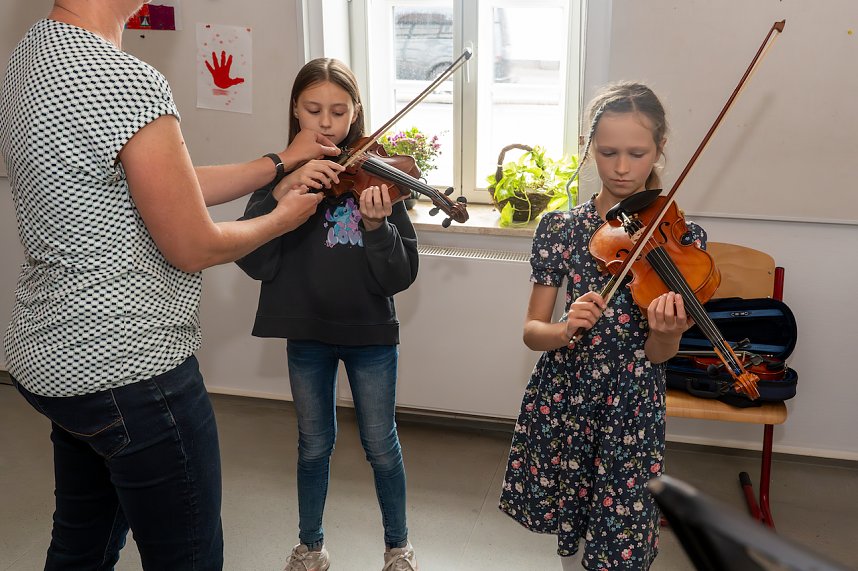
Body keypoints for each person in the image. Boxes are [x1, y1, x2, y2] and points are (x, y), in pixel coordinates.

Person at [0, 2, 339, 569]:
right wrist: (282, 219)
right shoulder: (125, 77)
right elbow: (193, 245)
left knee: (79, 547)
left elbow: (163, 184)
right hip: (133, 369)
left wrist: (278, 160)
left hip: (57, 358)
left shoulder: (30, 55)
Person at [498, 81, 708, 570]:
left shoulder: (681, 238)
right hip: (569, 395)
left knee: (623, 537)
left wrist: (665, 333)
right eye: (608, 151)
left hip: (632, 404)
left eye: (637, 153)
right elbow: (533, 330)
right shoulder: (562, 228)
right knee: (571, 524)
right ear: (589, 147)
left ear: (659, 149)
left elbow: (660, 356)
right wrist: (567, 327)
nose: (620, 167)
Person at [235, 58, 420, 571]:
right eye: (313, 109)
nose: (325, 122)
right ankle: (311, 548)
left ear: (356, 113)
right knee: (313, 445)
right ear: (295, 110)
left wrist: (378, 227)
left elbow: (399, 277)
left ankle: (397, 548)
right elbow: (252, 258)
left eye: (338, 111)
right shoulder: (281, 174)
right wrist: (279, 196)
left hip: (371, 335)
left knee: (381, 445)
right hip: (307, 334)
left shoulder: (375, 175)